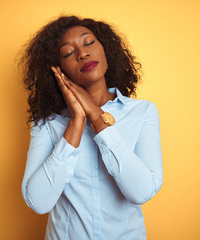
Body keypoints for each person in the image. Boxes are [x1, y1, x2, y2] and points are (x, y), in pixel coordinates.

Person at [18, 15, 163, 240]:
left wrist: (96, 116)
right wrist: (76, 123)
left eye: (89, 43)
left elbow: (141, 191)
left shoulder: (142, 112)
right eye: (68, 52)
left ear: (106, 49)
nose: (83, 54)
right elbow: (38, 201)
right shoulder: (47, 122)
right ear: (58, 69)